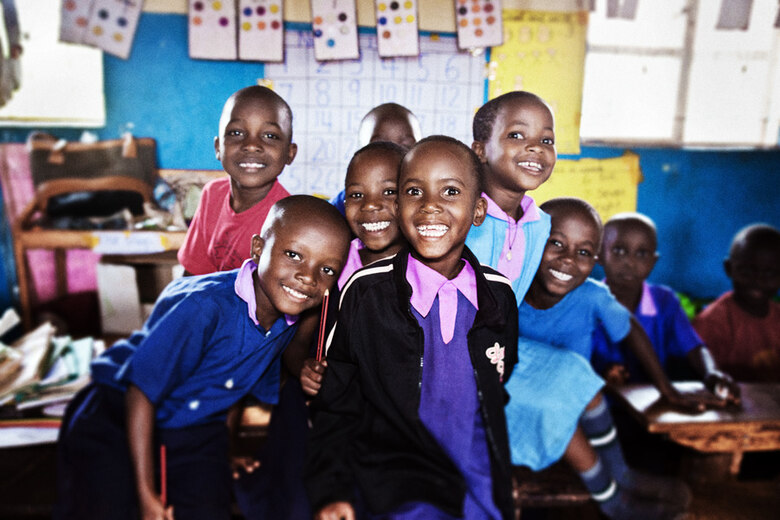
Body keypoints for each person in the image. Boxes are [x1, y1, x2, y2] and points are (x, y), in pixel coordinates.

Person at [54, 196, 351, 520]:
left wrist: (225, 452)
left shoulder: (284, 324)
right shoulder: (203, 308)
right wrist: (146, 494)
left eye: (327, 269)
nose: (308, 277)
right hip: (118, 414)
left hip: (192, 430)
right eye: (293, 255)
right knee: (108, 508)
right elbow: (140, 393)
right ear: (257, 249)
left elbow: (231, 388)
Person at [305, 136, 519, 520]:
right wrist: (331, 489)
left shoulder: (498, 296)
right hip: (401, 479)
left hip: (478, 479)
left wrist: (501, 475)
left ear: (478, 210)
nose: (430, 206)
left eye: (450, 191)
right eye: (414, 192)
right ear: (400, 206)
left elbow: (496, 387)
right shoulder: (365, 293)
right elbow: (337, 404)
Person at [512, 198, 722, 518]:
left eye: (583, 253)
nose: (568, 260)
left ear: (595, 260)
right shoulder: (509, 289)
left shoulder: (592, 296)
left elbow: (631, 330)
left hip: (579, 404)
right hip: (525, 409)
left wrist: (665, 387)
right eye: (555, 243)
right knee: (566, 387)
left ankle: (620, 474)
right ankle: (614, 502)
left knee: (581, 382)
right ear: (530, 240)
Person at [591, 212, 740, 401]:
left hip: (655, 402)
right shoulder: (586, 301)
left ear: (653, 262)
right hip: (601, 406)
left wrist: (711, 372)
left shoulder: (665, 301)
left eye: (642, 253)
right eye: (619, 251)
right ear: (600, 256)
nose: (630, 262)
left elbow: (694, 348)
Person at [177, 85, 297, 275]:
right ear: (218, 147)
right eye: (236, 133)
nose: (251, 145)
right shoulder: (212, 194)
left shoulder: (289, 219)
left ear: (290, 153)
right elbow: (193, 276)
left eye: (270, 136)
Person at [693, 223, 780, 382]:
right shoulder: (712, 322)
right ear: (729, 268)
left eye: (770, 273)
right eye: (747, 271)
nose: (758, 280)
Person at [330, 102, 422, 215]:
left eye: (406, 146)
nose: (392, 155)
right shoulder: (341, 205)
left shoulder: (426, 200)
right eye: (379, 145)